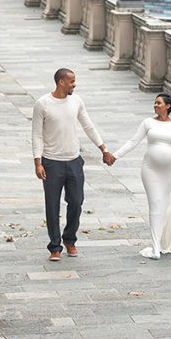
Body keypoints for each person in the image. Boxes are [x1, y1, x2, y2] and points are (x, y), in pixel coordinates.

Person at [32, 68, 114, 262]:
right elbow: (36, 134)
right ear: (61, 82)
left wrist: (104, 149)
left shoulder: (76, 102)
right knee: (52, 206)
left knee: (76, 202)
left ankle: (70, 239)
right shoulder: (42, 104)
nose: (74, 85)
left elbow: (88, 126)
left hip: (74, 161)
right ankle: (55, 246)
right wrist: (37, 162)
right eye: (71, 81)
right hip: (51, 162)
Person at [112, 93, 171, 260]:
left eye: (159, 103)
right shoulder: (148, 123)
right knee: (155, 204)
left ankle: (160, 241)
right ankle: (155, 248)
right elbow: (133, 142)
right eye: (155, 103)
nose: (155, 105)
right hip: (150, 169)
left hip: (169, 171)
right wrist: (114, 156)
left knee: (164, 205)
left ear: (168, 106)